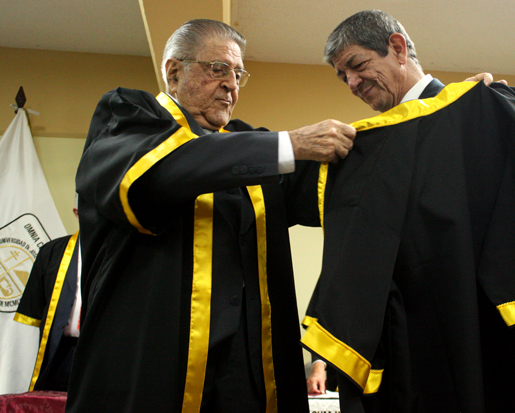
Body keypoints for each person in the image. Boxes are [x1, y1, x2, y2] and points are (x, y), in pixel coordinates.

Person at [301, 10, 515, 413]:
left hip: (504, 339)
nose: (351, 82)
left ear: (397, 48)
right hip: (422, 352)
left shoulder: (485, 110)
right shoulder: (370, 157)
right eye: (341, 75)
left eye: (357, 65)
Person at [65, 19, 355, 413]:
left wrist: (443, 115)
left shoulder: (246, 147)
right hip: (153, 369)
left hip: (250, 380)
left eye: (238, 74)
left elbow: (347, 184)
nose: (232, 86)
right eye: (218, 69)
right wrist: (290, 143)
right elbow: (159, 176)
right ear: (173, 71)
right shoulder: (127, 121)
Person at [14, 205, 81, 392]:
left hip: (100, 352)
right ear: (76, 213)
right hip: (61, 351)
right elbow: (34, 312)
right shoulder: (51, 252)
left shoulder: (120, 254)